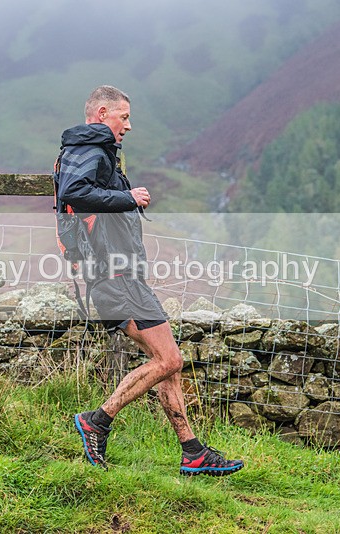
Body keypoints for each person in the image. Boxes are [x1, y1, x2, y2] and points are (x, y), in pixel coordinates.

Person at [57, 85, 244, 476]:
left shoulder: (97, 150)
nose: (128, 125)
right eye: (123, 117)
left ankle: (191, 451)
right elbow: (74, 193)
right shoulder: (89, 148)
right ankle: (97, 420)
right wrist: (130, 197)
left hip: (120, 276)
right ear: (103, 112)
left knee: (169, 364)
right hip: (115, 276)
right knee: (170, 359)